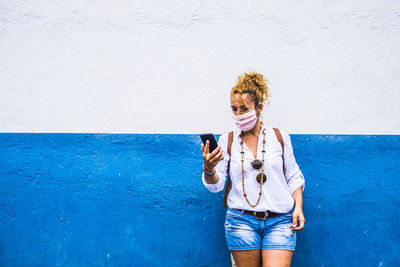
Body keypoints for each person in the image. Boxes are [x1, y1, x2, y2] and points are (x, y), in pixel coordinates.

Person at [201, 72, 306, 267]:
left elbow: (293, 176)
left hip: (281, 221)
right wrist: (209, 169)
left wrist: (298, 207)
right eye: (234, 109)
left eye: (244, 108)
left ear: (259, 108)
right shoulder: (227, 140)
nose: (238, 115)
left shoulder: (279, 137)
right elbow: (217, 185)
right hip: (241, 221)